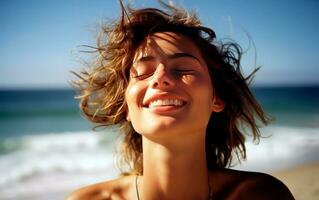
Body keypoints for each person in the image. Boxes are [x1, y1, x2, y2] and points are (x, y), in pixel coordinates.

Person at [67, 1, 294, 199]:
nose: (160, 78)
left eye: (184, 68)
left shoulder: (261, 196)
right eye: (143, 72)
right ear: (125, 106)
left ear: (216, 98)